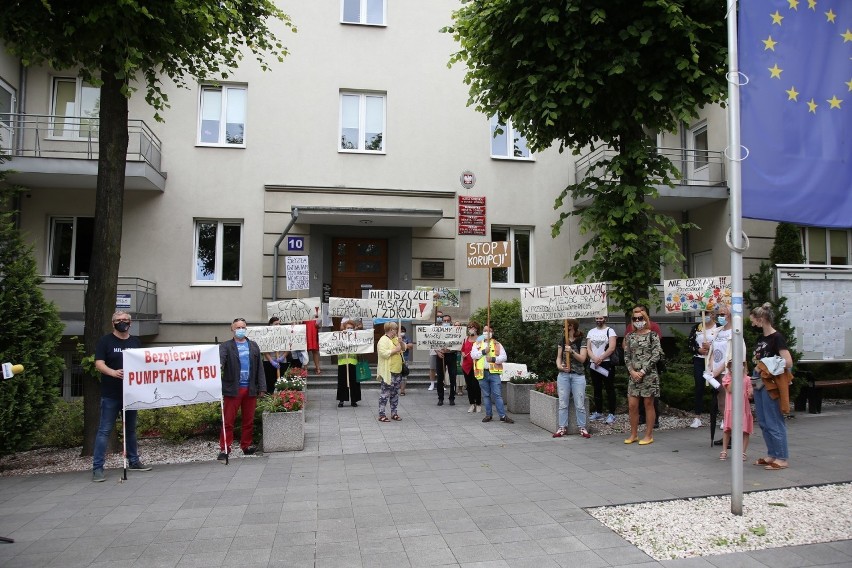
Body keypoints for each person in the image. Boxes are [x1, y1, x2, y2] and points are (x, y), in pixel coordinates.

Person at [92, 310, 151, 482]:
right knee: (104, 431)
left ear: (130, 323)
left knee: (131, 430)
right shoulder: (105, 341)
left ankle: (134, 461)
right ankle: (97, 468)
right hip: (111, 394)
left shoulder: (135, 341)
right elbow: (99, 363)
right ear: (113, 323)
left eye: (125, 319)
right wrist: (113, 372)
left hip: (131, 394)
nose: (122, 322)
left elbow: (143, 363)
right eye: (118, 320)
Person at [750, 302, 794, 471]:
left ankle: (782, 457)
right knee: (763, 421)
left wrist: (765, 365)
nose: (753, 324)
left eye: (754, 320)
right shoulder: (762, 339)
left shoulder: (777, 338)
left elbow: (788, 361)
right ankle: (772, 454)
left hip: (771, 384)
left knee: (774, 420)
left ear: (761, 319)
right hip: (760, 382)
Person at [218, 317, 265, 460]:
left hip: (250, 388)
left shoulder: (253, 346)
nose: (240, 330)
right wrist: (218, 365)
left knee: (248, 420)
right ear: (232, 329)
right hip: (233, 389)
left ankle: (246, 445)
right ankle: (225, 448)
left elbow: (260, 368)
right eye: (237, 327)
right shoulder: (226, 346)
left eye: (243, 327)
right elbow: (221, 360)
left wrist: (262, 387)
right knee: (228, 420)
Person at [623, 306, 662, 445]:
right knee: (632, 405)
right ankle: (633, 434)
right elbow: (626, 355)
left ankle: (648, 434)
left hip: (649, 375)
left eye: (640, 318)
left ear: (645, 319)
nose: (638, 321)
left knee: (648, 403)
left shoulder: (653, 335)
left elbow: (656, 354)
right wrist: (632, 371)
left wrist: (644, 371)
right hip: (634, 375)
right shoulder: (630, 336)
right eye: (635, 319)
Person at [553, 319, 590, 438]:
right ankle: (562, 427)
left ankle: (582, 427)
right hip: (564, 375)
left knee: (579, 402)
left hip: (577, 375)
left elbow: (583, 359)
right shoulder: (563, 339)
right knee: (563, 402)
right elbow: (558, 357)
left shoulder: (581, 340)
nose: (564, 328)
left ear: (572, 326)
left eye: (566, 326)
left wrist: (572, 351)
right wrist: (559, 366)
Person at [471, 325, 514, 424]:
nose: (487, 332)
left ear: (492, 332)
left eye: (489, 331)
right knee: (486, 395)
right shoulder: (477, 344)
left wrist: (493, 359)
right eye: (485, 330)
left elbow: (504, 357)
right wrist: (483, 352)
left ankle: (502, 416)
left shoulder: (497, 344)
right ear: (482, 332)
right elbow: (473, 355)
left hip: (494, 373)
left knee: (497, 395)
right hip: (482, 373)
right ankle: (488, 415)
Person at [686, 311, 718, 428]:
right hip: (699, 360)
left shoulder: (719, 328)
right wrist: (698, 350)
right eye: (703, 313)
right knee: (699, 386)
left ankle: (721, 415)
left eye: (708, 313)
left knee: (716, 387)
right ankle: (697, 417)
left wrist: (711, 348)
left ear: (713, 314)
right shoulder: (697, 328)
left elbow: (724, 344)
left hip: (714, 361)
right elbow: (690, 344)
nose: (706, 316)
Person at [586, 316, 617, 424]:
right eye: (597, 318)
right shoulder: (591, 332)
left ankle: (612, 413)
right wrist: (594, 358)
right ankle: (598, 412)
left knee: (609, 388)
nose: (598, 320)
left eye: (601, 318)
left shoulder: (610, 331)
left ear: (605, 319)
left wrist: (601, 358)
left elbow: (612, 347)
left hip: (606, 363)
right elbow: (588, 348)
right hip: (594, 364)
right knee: (597, 388)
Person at [720, 359, 753, 461]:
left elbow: (750, 394)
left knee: (745, 430)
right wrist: (735, 376)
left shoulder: (747, 379)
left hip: (743, 408)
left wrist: (751, 392)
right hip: (731, 407)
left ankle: (743, 452)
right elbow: (729, 389)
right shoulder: (727, 378)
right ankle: (724, 450)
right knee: (727, 429)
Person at [377, 321, 406, 422]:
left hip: (397, 370)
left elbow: (404, 348)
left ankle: (394, 413)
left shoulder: (395, 339)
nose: (397, 331)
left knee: (394, 394)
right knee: (385, 394)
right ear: (391, 329)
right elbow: (383, 353)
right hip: (388, 371)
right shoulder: (383, 340)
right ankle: (382, 414)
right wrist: (395, 350)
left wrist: (401, 342)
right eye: (395, 329)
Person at [336, 320, 361, 407]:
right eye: (348, 328)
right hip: (342, 362)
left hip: (353, 362)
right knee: (342, 381)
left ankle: (354, 400)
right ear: (344, 328)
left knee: (354, 381)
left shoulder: (356, 337)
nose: (349, 329)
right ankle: (341, 400)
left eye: (351, 328)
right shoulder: (339, 336)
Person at [262, 316, 289, 394]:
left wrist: (282, 357)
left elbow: (289, 347)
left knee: (282, 381)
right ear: (271, 325)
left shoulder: (285, 334)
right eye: (276, 324)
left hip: (282, 361)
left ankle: (281, 396)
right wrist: (271, 361)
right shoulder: (266, 335)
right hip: (269, 361)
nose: (278, 325)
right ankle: (270, 397)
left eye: (279, 323)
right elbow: (264, 349)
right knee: (270, 381)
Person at [461, 320, 483, 413]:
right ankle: (471, 404)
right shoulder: (466, 339)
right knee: (469, 386)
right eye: (469, 327)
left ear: (476, 329)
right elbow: (462, 349)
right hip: (466, 365)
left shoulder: (480, 339)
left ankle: (478, 404)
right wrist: (463, 354)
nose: (470, 329)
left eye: (472, 327)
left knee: (476, 385)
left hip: (476, 365)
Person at [437, 313, 457, 406]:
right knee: (440, 377)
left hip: (451, 355)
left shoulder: (455, 331)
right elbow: (432, 342)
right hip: (440, 356)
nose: (446, 322)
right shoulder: (437, 330)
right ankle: (440, 398)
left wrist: (451, 349)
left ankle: (452, 398)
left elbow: (458, 343)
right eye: (444, 321)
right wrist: (438, 352)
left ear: (450, 321)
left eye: (447, 321)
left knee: (453, 377)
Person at [427, 310, 444, 391]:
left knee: (443, 368)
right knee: (432, 368)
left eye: (441, 316)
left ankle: (442, 383)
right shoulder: (431, 327)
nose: (439, 318)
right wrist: (436, 350)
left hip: (444, 351)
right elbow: (429, 340)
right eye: (438, 317)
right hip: (433, 351)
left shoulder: (446, 327)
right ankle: (432, 384)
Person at [399, 325, 414, 396]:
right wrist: (405, 346)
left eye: (403, 331)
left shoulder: (407, 338)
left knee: (404, 375)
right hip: (395, 359)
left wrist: (402, 345)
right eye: (401, 331)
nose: (402, 332)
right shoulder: (394, 338)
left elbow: (411, 346)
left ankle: (402, 390)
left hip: (405, 359)